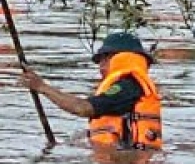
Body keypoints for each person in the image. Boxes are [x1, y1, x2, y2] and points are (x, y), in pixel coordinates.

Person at [20, 32, 164, 151]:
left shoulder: (127, 88)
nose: (100, 67)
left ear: (115, 58)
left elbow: (83, 108)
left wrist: (42, 87)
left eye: (102, 60)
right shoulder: (133, 86)